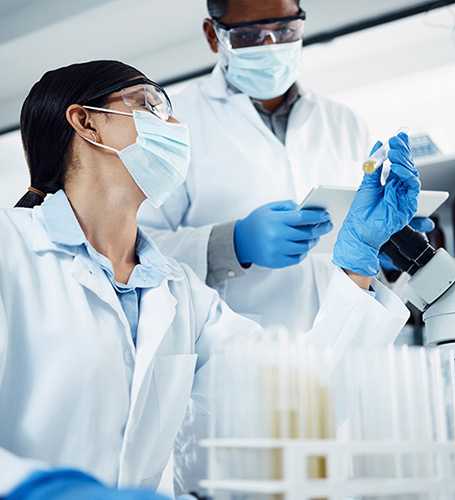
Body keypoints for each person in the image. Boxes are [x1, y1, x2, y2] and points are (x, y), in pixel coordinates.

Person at [0, 58, 417, 499]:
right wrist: (44, 491)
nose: (175, 124)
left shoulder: (177, 291)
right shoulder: (11, 250)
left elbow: (294, 401)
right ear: (87, 123)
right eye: (150, 105)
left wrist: (357, 262)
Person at [138, 0, 432, 336]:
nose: (271, 46)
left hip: (345, 338)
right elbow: (134, 250)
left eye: (285, 30)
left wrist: (387, 248)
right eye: (249, 34)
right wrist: (232, 245)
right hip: (238, 349)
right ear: (212, 35)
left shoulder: (343, 122)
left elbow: (355, 236)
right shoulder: (176, 124)